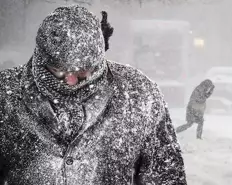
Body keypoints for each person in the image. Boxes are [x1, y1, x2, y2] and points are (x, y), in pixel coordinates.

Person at [0, 5, 187, 185]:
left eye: (82, 71)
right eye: (58, 70)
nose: (71, 81)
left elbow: (166, 176)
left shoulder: (138, 94)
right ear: (40, 58)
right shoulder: (4, 96)